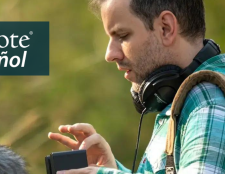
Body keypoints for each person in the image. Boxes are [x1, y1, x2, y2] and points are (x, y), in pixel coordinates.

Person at [48, 0, 225, 173]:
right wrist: (112, 169)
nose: (110, 54)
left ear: (166, 28)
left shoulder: (208, 102)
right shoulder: (188, 98)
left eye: (122, 36)